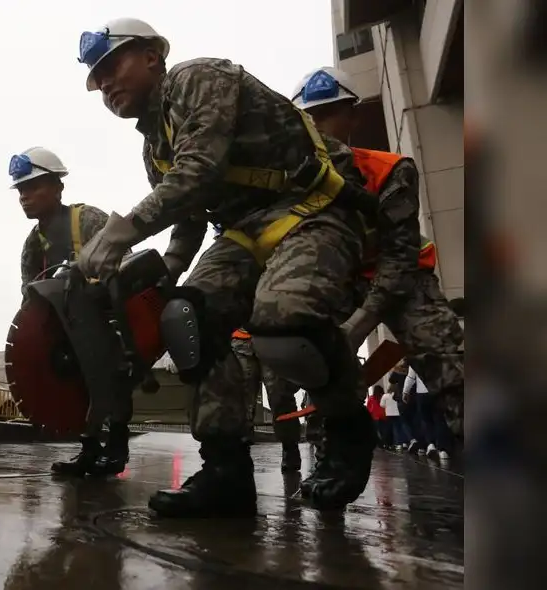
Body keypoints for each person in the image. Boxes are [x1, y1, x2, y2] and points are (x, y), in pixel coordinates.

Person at [74, 17, 377, 516]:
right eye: (97, 78)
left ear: (152, 56)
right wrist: (168, 270)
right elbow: (189, 213)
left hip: (313, 208)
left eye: (112, 66)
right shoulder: (154, 146)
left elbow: (199, 172)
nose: (105, 83)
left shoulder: (197, 79)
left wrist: (119, 233)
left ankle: (347, 428)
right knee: (186, 318)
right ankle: (225, 471)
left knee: (283, 321)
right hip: (245, 231)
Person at [291, 66, 465, 440]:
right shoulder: (290, 185)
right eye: (310, 117)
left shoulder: (389, 170)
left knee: (448, 360)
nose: (318, 127)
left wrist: (360, 324)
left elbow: (399, 257)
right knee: (325, 370)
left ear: (352, 116)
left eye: (328, 114)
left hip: (406, 280)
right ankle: (339, 457)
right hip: (341, 283)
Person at [11, 146, 134, 477]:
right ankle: (89, 449)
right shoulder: (33, 245)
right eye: (20, 190)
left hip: (109, 318)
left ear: (57, 187)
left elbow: (126, 263)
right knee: (78, 387)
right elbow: (31, 299)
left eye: (32, 187)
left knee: (112, 377)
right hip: (69, 330)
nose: (24, 197)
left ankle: (117, 446)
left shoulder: (88, 220)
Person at [231, 328, 301, 472]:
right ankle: (240, 454)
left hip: (272, 336)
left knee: (280, 397)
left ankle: (290, 448)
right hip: (241, 338)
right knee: (241, 400)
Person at [380, 385, 408, 450]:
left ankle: (395, 444)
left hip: (389, 414)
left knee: (391, 429)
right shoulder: (398, 395)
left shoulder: (385, 396)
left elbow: (382, 405)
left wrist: (387, 406)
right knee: (400, 428)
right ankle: (403, 443)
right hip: (398, 413)